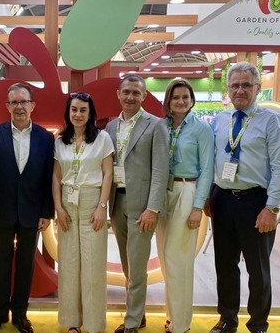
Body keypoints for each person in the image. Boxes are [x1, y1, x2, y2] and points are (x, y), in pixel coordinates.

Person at [208, 62, 280, 333]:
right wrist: (209, 195)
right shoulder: (220, 120)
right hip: (223, 200)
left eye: (246, 85)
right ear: (228, 89)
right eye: (235, 85)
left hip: (256, 202)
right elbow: (211, 162)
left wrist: (272, 207)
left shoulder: (271, 121)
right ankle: (227, 319)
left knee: (258, 269)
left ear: (258, 88)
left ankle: (257, 324)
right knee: (225, 266)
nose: (240, 90)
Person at [0, 83, 55, 333]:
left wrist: (46, 212)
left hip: (32, 213)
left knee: (26, 265)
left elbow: (48, 177)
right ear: (7, 106)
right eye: (14, 102)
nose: (19, 107)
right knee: (0, 264)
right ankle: (0, 313)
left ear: (32, 105)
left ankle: (20, 314)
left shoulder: (46, 137)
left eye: (24, 102)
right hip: (1, 212)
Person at [106, 74, 170, 333]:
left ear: (144, 96)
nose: (130, 97)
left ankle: (132, 322)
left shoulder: (156, 125)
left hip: (142, 207)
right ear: (118, 95)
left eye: (136, 92)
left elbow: (160, 170)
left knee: (137, 264)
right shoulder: (111, 127)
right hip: (117, 202)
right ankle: (138, 313)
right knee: (126, 264)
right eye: (126, 92)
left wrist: (153, 208)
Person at [155, 79, 214, 333]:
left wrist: (198, 207)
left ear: (192, 100)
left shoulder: (201, 128)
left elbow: (207, 169)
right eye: (175, 97)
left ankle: (181, 324)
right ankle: (172, 316)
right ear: (168, 101)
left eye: (185, 97)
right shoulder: (162, 127)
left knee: (178, 258)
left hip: (187, 190)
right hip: (163, 192)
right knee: (165, 257)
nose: (180, 101)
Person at [53, 92, 114, 333]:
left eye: (83, 110)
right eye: (74, 109)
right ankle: (72, 322)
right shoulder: (60, 141)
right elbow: (56, 176)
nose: (78, 114)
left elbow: (108, 174)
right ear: (68, 112)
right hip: (67, 202)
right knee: (68, 265)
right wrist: (58, 208)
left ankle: (93, 324)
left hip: (92, 201)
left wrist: (101, 207)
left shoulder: (102, 138)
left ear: (90, 113)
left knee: (93, 266)